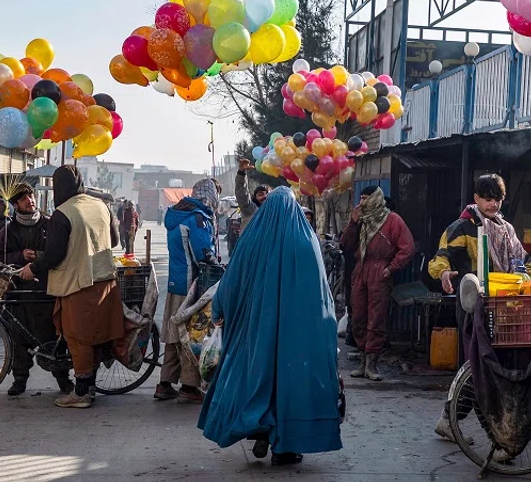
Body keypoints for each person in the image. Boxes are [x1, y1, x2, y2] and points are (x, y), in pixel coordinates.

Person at [199, 187, 342, 466]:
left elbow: (231, 281)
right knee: (290, 384)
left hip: (257, 330)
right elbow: (322, 294)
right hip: (297, 335)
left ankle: (261, 429)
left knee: (258, 377)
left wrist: (219, 310)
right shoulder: (306, 241)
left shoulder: (252, 239)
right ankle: (285, 446)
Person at [428, 173, 526, 441]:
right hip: (473, 306)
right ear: (476, 199)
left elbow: (520, 264)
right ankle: (493, 432)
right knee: (478, 366)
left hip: (503, 305)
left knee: (485, 367)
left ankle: (452, 419)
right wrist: (444, 273)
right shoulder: (462, 227)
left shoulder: (506, 230)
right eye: (487, 198)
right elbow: (440, 258)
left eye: (497, 198)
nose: (493, 203)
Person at [19, 165, 124, 409]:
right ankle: (89, 387)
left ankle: (81, 393)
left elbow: (54, 254)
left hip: (79, 284)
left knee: (78, 338)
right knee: (95, 335)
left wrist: (32, 268)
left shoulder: (62, 214)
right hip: (106, 280)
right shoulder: (101, 206)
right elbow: (115, 240)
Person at [0, 183, 73, 396]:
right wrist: (20, 256)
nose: (30, 201)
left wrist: (38, 258)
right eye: (24, 199)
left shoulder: (49, 224)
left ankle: (63, 379)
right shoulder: (8, 231)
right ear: (16, 204)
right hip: (19, 294)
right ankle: (20, 380)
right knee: (19, 339)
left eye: (31, 196)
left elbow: (60, 252)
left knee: (54, 338)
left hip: (47, 291)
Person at [341, 186, 415, 381]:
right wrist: (353, 223)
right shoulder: (361, 220)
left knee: (376, 319)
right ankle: (362, 362)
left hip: (379, 272)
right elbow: (346, 244)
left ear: (376, 199)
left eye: (366, 198)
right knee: (358, 318)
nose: (362, 202)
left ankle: (372, 365)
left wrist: (390, 268)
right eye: (361, 198)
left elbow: (407, 248)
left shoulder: (392, 220)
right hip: (360, 270)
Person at [155, 178, 218, 404]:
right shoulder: (198, 218)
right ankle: (189, 386)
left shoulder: (177, 216)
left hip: (175, 282)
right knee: (191, 334)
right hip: (193, 286)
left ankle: (165, 383)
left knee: (174, 333)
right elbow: (204, 253)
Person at [236, 158, 269, 233]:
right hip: (250, 244)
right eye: (261, 194)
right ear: (255, 197)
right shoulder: (250, 209)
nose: (265, 197)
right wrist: (241, 173)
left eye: (268, 194)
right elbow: (241, 193)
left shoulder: (273, 212)